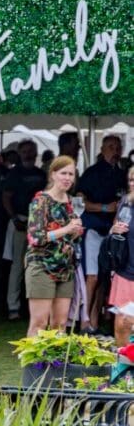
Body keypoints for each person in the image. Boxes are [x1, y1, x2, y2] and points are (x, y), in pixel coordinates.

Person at [24, 156, 83, 336]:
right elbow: (35, 238)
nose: (67, 178)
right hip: (41, 265)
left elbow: (69, 237)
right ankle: (33, 364)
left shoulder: (70, 202)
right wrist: (66, 229)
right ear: (53, 174)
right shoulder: (41, 200)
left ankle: (56, 364)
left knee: (60, 324)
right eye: (63, 173)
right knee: (39, 323)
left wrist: (75, 232)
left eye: (71, 174)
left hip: (65, 267)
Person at [77, 135, 126, 332]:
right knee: (93, 277)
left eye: (118, 147)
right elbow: (81, 202)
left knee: (104, 277)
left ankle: (95, 321)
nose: (115, 151)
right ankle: (84, 320)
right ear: (103, 149)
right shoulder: (91, 173)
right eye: (111, 147)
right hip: (93, 229)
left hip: (112, 232)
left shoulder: (122, 175)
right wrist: (105, 208)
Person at [2, 139, 47, 321]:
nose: (28, 154)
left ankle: (34, 307)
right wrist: (13, 219)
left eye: (31, 151)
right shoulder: (14, 174)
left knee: (38, 265)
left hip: (39, 223)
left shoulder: (41, 174)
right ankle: (13, 306)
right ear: (19, 154)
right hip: (20, 221)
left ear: (36, 154)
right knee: (17, 267)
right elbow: (6, 197)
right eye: (25, 151)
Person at [108, 169, 134, 346]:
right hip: (126, 269)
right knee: (122, 324)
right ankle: (125, 371)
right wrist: (113, 230)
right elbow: (114, 229)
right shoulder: (125, 202)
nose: (133, 183)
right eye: (131, 179)